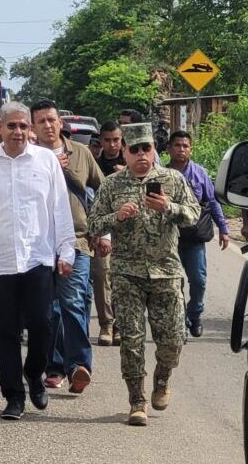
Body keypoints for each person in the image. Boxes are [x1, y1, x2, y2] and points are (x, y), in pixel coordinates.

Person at [0, 101, 76, 420]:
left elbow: (60, 209)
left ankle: (34, 373)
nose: (18, 132)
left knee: (43, 323)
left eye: (24, 126)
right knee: (7, 330)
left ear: (31, 129)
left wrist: (66, 250)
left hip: (38, 257)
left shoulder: (46, 162)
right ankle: (13, 396)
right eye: (12, 126)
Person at [88, 123, 201, 426]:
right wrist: (116, 216)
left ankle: (162, 379)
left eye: (146, 148)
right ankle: (136, 401)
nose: (141, 154)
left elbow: (194, 214)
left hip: (166, 272)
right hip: (127, 274)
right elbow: (93, 224)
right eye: (134, 149)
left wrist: (169, 207)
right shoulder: (112, 184)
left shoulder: (172, 180)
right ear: (124, 151)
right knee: (132, 341)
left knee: (173, 340)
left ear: (154, 151)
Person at [31, 99, 106, 394]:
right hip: (39, 243)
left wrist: (103, 232)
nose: (48, 126)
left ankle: (79, 366)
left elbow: (102, 190)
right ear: (34, 127)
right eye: (42, 121)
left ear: (60, 123)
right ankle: (54, 366)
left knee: (73, 302)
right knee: (48, 310)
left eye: (52, 120)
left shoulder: (82, 153)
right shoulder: (28, 157)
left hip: (76, 239)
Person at [166, 131, 230, 338]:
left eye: (185, 146)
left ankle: (195, 314)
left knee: (198, 280)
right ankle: (181, 320)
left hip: (194, 237)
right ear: (169, 149)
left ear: (190, 149)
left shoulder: (200, 173)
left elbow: (212, 202)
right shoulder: (160, 173)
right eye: (177, 145)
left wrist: (224, 229)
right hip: (168, 237)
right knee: (174, 282)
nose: (181, 149)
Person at [93, 121, 123, 346]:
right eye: (108, 140)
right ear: (101, 141)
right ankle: (106, 324)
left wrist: (127, 176)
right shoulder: (94, 164)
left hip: (130, 232)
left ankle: (121, 326)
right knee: (102, 276)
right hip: (103, 229)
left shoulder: (134, 161)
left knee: (123, 280)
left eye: (116, 140)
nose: (112, 145)